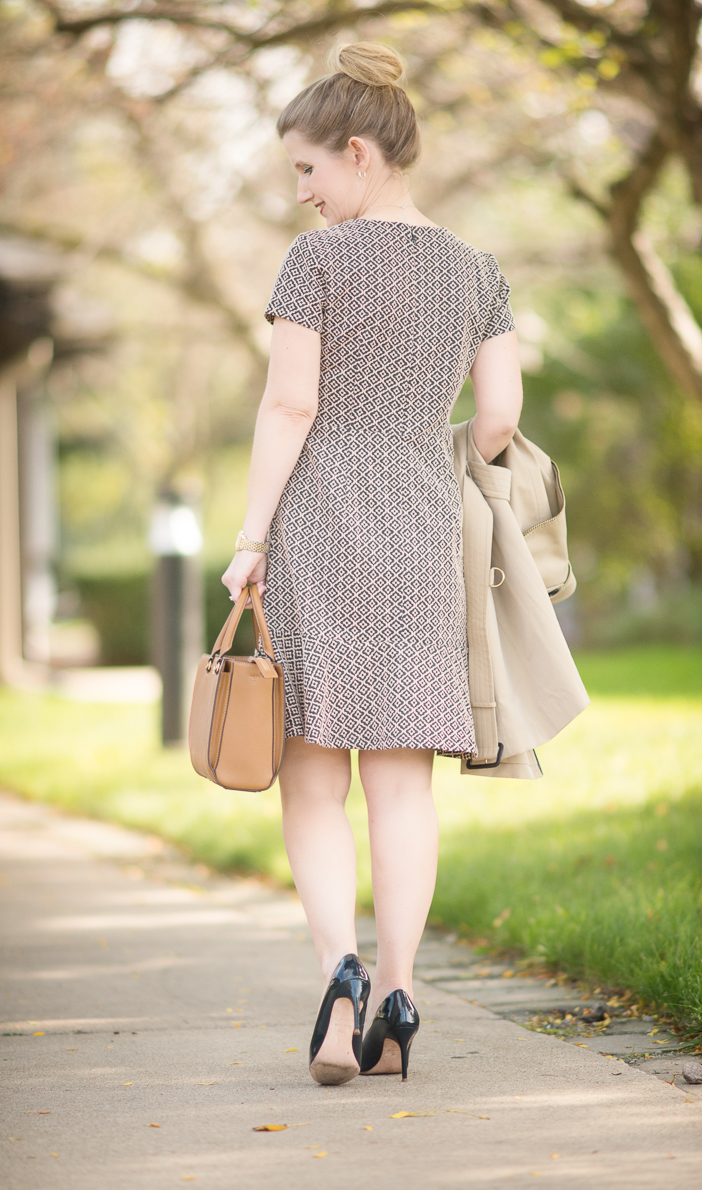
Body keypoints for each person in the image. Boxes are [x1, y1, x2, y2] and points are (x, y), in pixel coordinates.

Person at [221, 41, 523, 1086]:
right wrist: (422, 448)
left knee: (313, 780)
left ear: (357, 151)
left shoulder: (316, 263)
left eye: (307, 169)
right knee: (402, 788)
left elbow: (290, 405)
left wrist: (250, 538)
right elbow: (498, 419)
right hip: (421, 536)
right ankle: (399, 989)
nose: (301, 192)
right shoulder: (478, 272)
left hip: (318, 529)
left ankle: (337, 977)